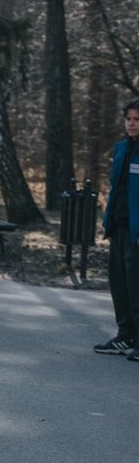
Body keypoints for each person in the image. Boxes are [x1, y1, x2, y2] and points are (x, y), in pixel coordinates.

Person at [95, 98, 139, 357]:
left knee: (136, 287)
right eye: (128, 119)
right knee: (119, 285)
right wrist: (108, 224)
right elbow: (116, 189)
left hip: (137, 231)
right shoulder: (122, 149)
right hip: (119, 227)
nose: (131, 124)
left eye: (136, 120)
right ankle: (126, 336)